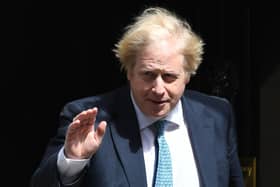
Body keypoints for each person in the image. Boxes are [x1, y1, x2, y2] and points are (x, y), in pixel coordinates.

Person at [30, 6, 244, 187]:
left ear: (188, 75)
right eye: (148, 75)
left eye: (169, 77)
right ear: (130, 72)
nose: (158, 89)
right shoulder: (89, 119)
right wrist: (73, 160)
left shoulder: (217, 115)